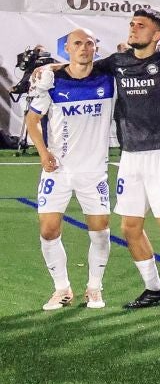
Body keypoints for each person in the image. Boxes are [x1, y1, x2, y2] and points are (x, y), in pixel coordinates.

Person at [99, 8, 160, 310]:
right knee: (129, 227)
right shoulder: (116, 62)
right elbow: (81, 69)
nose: (133, 29)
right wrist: (52, 68)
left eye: (141, 26)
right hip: (130, 155)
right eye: (132, 24)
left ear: (158, 34)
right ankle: (154, 289)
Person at [28, 30, 115, 310]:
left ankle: (94, 287)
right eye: (77, 43)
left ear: (95, 48)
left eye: (90, 43)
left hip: (94, 171)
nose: (84, 48)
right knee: (49, 229)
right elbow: (32, 120)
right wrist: (43, 153)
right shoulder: (52, 82)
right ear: (66, 48)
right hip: (59, 170)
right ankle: (62, 289)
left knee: (100, 231)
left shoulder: (108, 80)